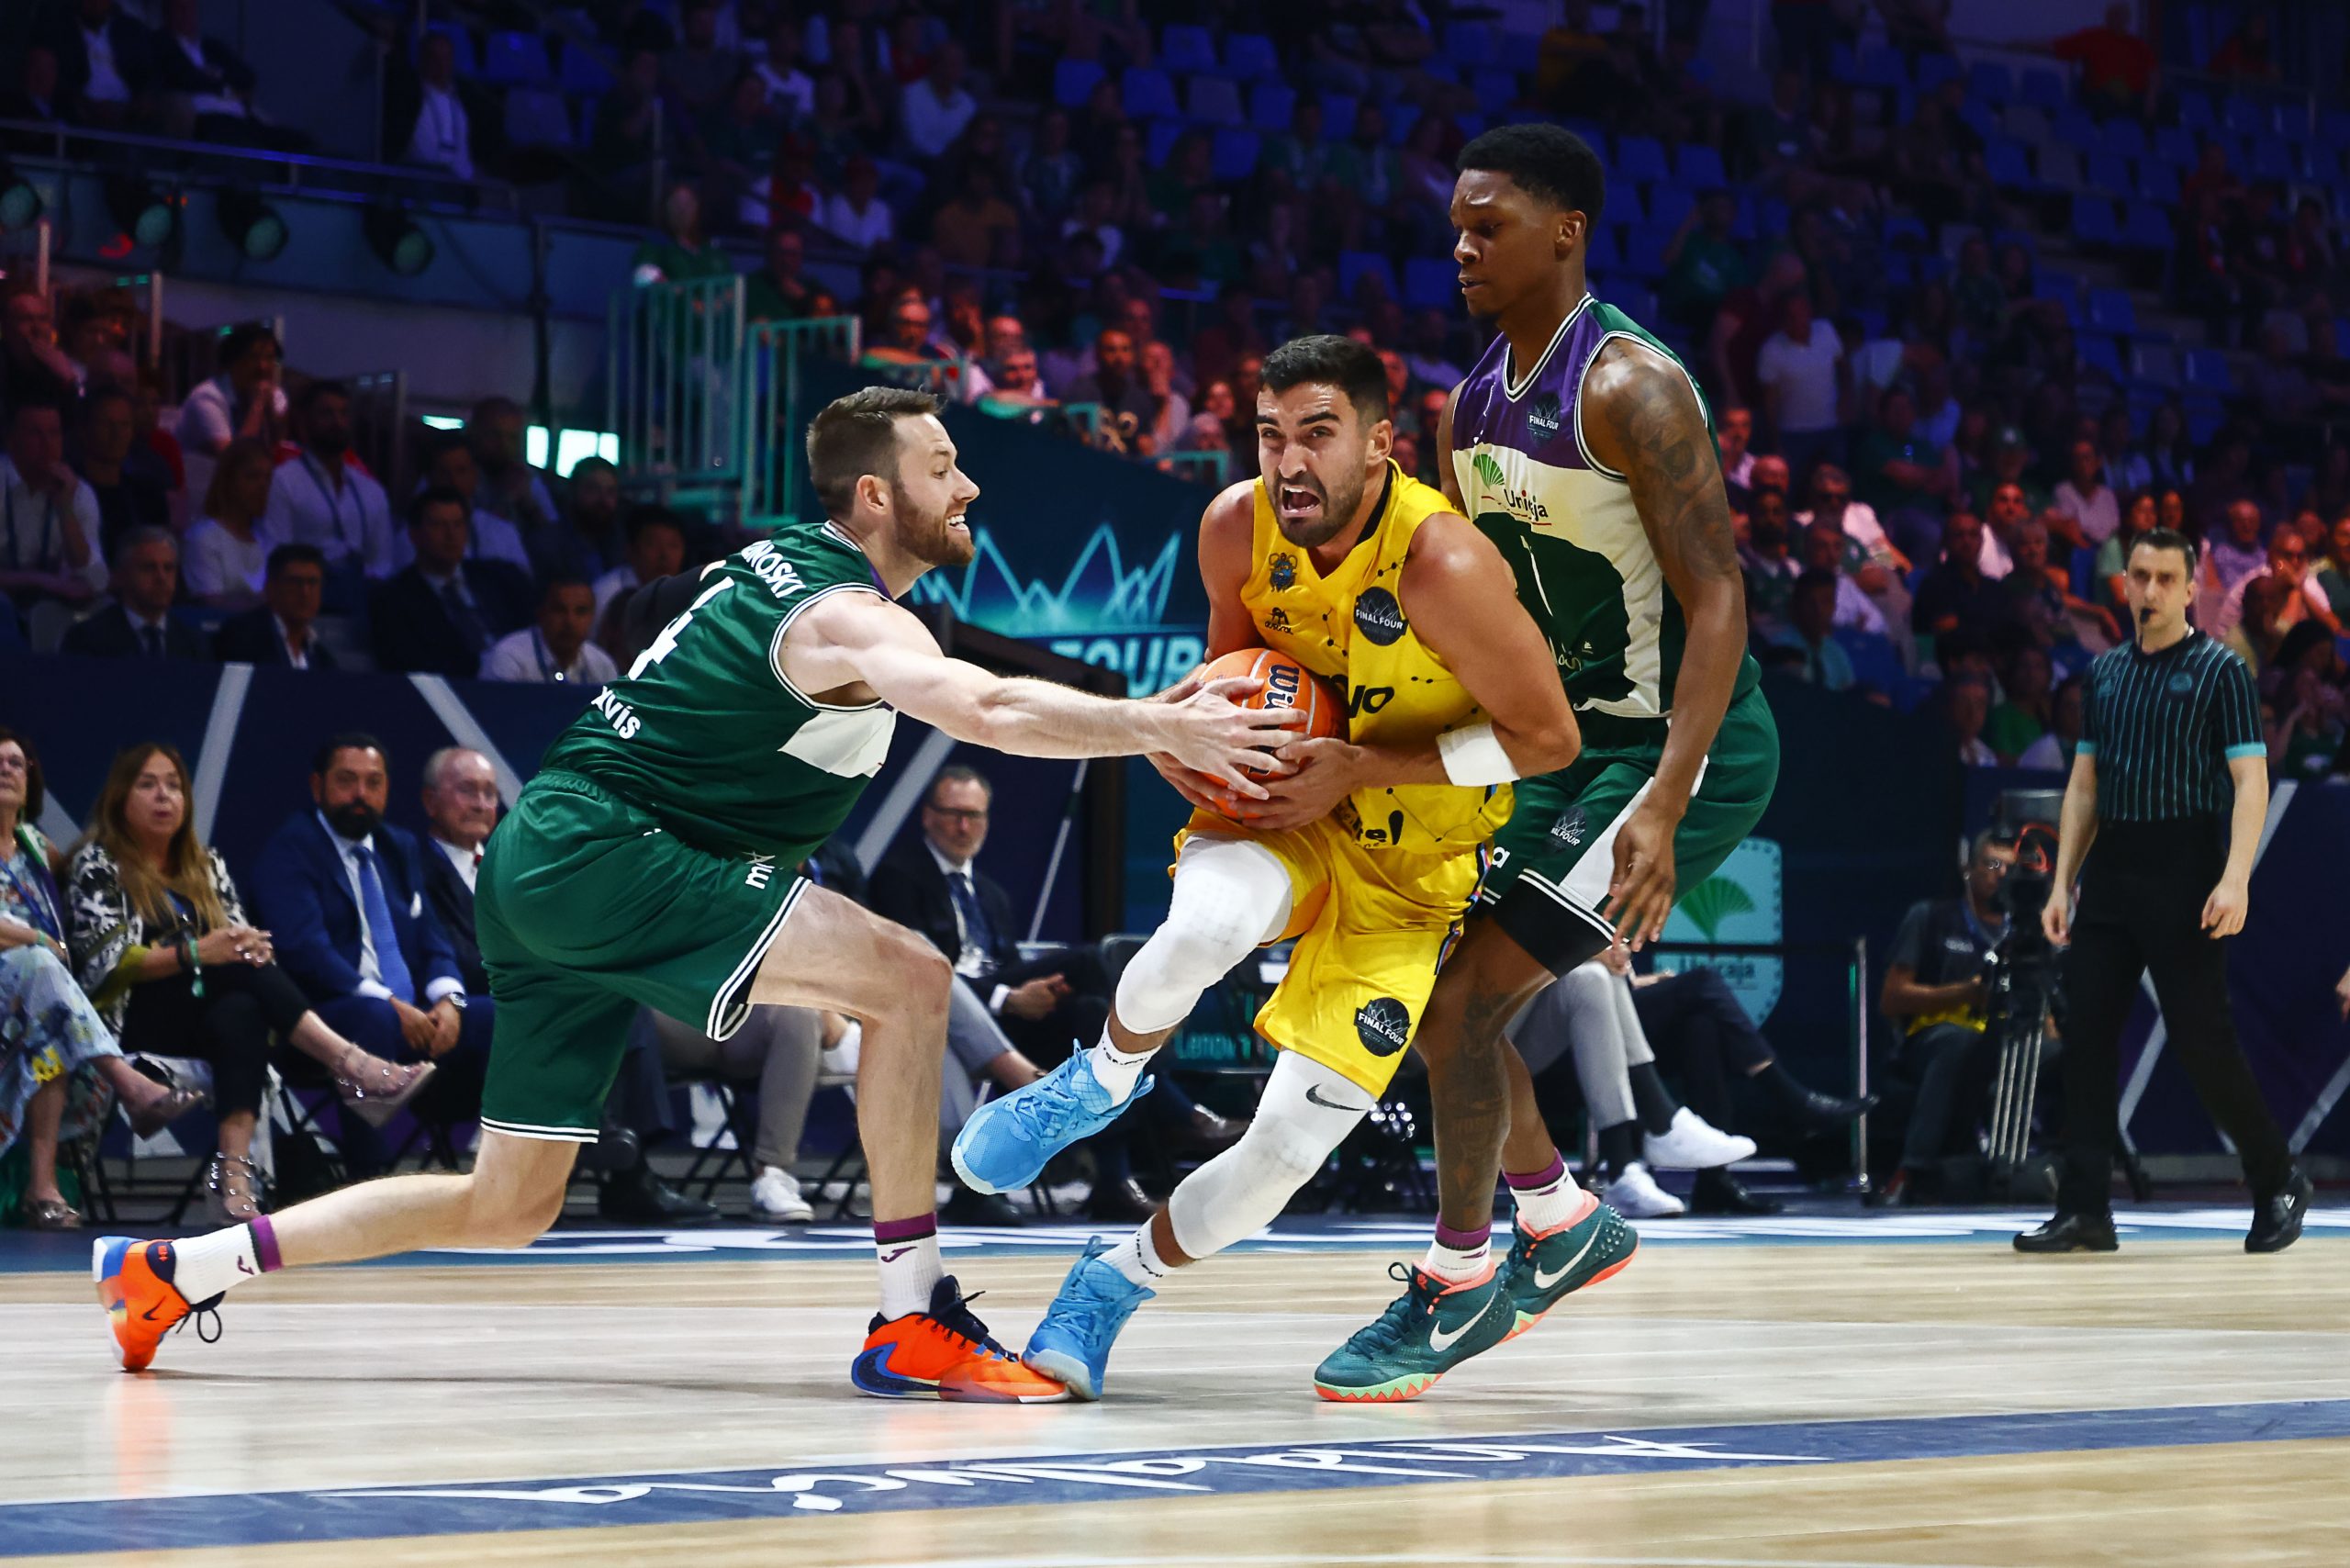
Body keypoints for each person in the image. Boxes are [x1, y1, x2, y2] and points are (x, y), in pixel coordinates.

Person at [96, 385, 1302, 1400]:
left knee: (507, 1204)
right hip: (614, 848)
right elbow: (982, 706)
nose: (968, 487)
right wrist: (1159, 724)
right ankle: (910, 1315)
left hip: (554, 855)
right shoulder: (841, 611)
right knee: (910, 975)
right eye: (943, 468)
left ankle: (176, 1273)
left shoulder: (780, 569)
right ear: (873, 495)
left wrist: (1139, 718)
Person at [949, 334, 1585, 1402]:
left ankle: (1111, 1279)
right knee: (1205, 926)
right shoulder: (1234, 525)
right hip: (1283, 807)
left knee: (1285, 1152)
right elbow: (1226, 674)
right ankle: (1097, 1081)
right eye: (1269, 434)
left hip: (1412, 869)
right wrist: (1176, 729)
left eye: (1317, 434)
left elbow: (1547, 738)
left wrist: (1363, 767)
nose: (1289, 461)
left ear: (1378, 444)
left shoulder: (1444, 563)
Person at [1314, 125, 1781, 1400]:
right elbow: (1492, 616)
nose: (1462, 249)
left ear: (1566, 231)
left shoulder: (1633, 387)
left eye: (1490, 227)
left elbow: (1720, 600)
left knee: (1467, 1002)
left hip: (1678, 742)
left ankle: (1460, 1281)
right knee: (1427, 986)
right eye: (1456, 229)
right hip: (1564, 742)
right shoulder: (1467, 407)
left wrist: (1666, 804)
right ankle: (1562, 1220)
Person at [2020, 529, 2311, 1255]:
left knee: (2202, 1042)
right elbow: (2083, 785)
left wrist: (2236, 876)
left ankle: (2278, 1178)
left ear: (2190, 590)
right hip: (2112, 868)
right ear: (2125, 583)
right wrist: (2062, 882)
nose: (2148, 591)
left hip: (2186, 865)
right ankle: (2085, 1208)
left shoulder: (2221, 671)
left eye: (2164, 579)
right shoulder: (2105, 673)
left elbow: (2251, 779)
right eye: (2139, 576)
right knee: (2086, 1036)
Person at [67, 743, 434, 1223]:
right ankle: (352, 1067)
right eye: (148, 785)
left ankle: (234, 1179)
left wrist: (253, 949)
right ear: (120, 797)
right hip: (130, 1020)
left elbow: (240, 938)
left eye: (174, 786)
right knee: (235, 968)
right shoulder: (98, 864)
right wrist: (197, 953)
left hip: (205, 1018)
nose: (164, 797)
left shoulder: (206, 865)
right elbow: (102, 964)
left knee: (242, 1006)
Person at [416, 745, 713, 1225]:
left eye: (489, 793)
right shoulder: (414, 865)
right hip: (461, 1011)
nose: (481, 803)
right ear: (430, 801)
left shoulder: (510, 863)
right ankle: (606, 1150)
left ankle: (625, 1165)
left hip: (530, 1001)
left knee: (618, 994)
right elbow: (447, 952)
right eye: (467, 790)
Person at [246, 734, 492, 1174]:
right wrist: (390, 1003)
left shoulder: (399, 846)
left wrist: (450, 1002)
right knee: (373, 1018)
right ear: (318, 787)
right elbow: (306, 952)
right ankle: (370, 1177)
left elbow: (434, 941)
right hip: (324, 1020)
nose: (361, 794)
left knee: (498, 1015)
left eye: (373, 783)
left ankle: (513, 1170)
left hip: (412, 1016)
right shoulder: (291, 849)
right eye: (347, 781)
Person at [0, 730, 204, 1230]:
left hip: (31, 1008)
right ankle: (131, 1086)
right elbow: (38, 943)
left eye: (15, 763)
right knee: (41, 967)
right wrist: (37, 939)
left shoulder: (37, 849)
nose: (5, 770)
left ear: (30, 780)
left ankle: (42, 1190)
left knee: (48, 1013)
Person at [1506, 942, 1756, 1220]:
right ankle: (1663, 1126)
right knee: (1592, 959)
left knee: (1594, 975)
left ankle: (1623, 1169)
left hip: (1517, 1030)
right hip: (1479, 1036)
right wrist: (1579, 949)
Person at [1874, 833, 2019, 1204]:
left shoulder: (2023, 931)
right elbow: (1891, 999)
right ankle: (1912, 1170)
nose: (2002, 874)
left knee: (2066, 1051)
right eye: (1992, 864)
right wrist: (1963, 993)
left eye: (2010, 868)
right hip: (1930, 1037)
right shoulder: (1931, 917)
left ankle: (2067, 1169)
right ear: (1968, 869)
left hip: (2002, 1039)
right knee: (1959, 1039)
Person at [369, 487, 535, 678]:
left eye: (458, 524)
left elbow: (534, 636)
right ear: (414, 535)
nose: (451, 535)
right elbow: (408, 665)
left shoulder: (502, 577)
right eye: (438, 525)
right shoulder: (392, 599)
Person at [263, 380, 399, 590]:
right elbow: (277, 552)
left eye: (343, 413)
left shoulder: (370, 490)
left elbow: (383, 561)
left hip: (365, 596)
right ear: (304, 422)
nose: (337, 422)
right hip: (307, 593)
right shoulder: (284, 481)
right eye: (327, 414)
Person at [0, 400, 106, 614]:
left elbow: (93, 577)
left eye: (54, 433)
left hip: (54, 607)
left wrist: (65, 506)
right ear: (11, 441)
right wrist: (40, 580)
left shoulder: (77, 492)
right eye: (35, 434)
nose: (48, 444)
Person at [61, 528, 206, 660]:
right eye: (148, 568)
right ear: (121, 576)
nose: (161, 577)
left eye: (168, 568)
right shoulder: (87, 638)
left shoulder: (193, 641)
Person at [72, 385, 171, 563]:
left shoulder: (148, 494)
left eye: (124, 425)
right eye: (106, 424)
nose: (117, 433)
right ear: (83, 430)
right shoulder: (69, 493)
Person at [180, 437, 276, 609]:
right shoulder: (204, 538)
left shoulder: (269, 536)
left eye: (268, 478)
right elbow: (211, 603)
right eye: (252, 477)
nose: (263, 486)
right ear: (229, 481)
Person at [481, 576, 621, 686]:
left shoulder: (602, 665)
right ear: (541, 614)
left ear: (592, 618)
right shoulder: (509, 657)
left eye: (581, 612)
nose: (570, 622)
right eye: (560, 610)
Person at [213, 543, 334, 669]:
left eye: (312, 582)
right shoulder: (241, 636)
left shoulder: (322, 658)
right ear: (270, 587)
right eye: (295, 582)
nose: (305, 592)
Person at [593, 505, 688, 659]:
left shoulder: (689, 592)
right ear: (631, 550)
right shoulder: (606, 593)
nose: (664, 555)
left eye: (673, 545)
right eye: (653, 545)